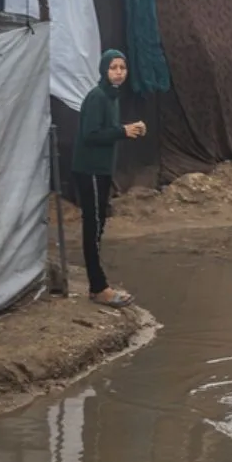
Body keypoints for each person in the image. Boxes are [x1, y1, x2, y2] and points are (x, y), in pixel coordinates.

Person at [71, 49, 145, 309]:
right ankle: (98, 288)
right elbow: (90, 134)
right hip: (89, 169)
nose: (119, 72)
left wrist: (126, 130)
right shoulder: (97, 97)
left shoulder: (112, 97)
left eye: (122, 68)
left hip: (101, 170)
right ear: (104, 70)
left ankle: (98, 283)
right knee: (92, 225)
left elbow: (107, 131)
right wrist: (122, 131)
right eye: (113, 67)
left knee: (99, 223)